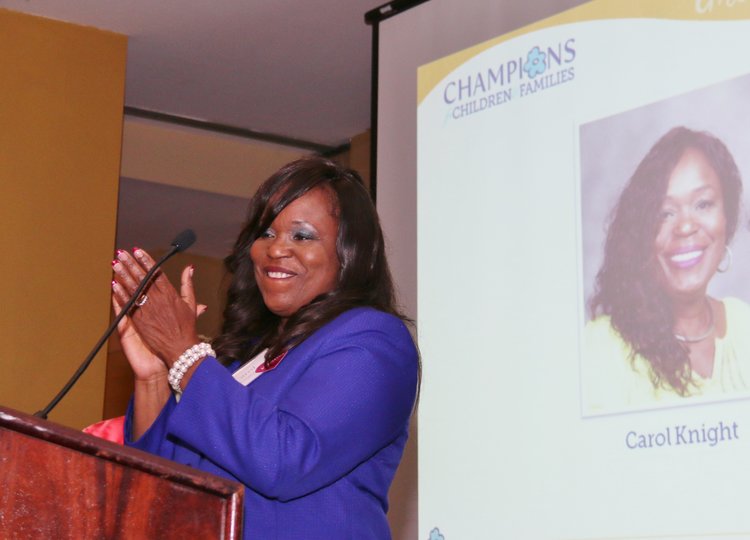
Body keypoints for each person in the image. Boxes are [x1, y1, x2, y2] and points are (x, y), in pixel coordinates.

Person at [110, 156, 419, 539]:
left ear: (349, 252)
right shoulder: (242, 360)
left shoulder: (373, 340)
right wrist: (155, 374)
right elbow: (158, 484)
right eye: (267, 233)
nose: (275, 250)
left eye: (302, 236)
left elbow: (284, 460)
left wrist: (183, 353)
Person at [583, 126, 750, 414]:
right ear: (643, 232)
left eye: (703, 204)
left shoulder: (743, 323)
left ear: (728, 217)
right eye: (666, 213)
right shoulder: (601, 347)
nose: (685, 227)